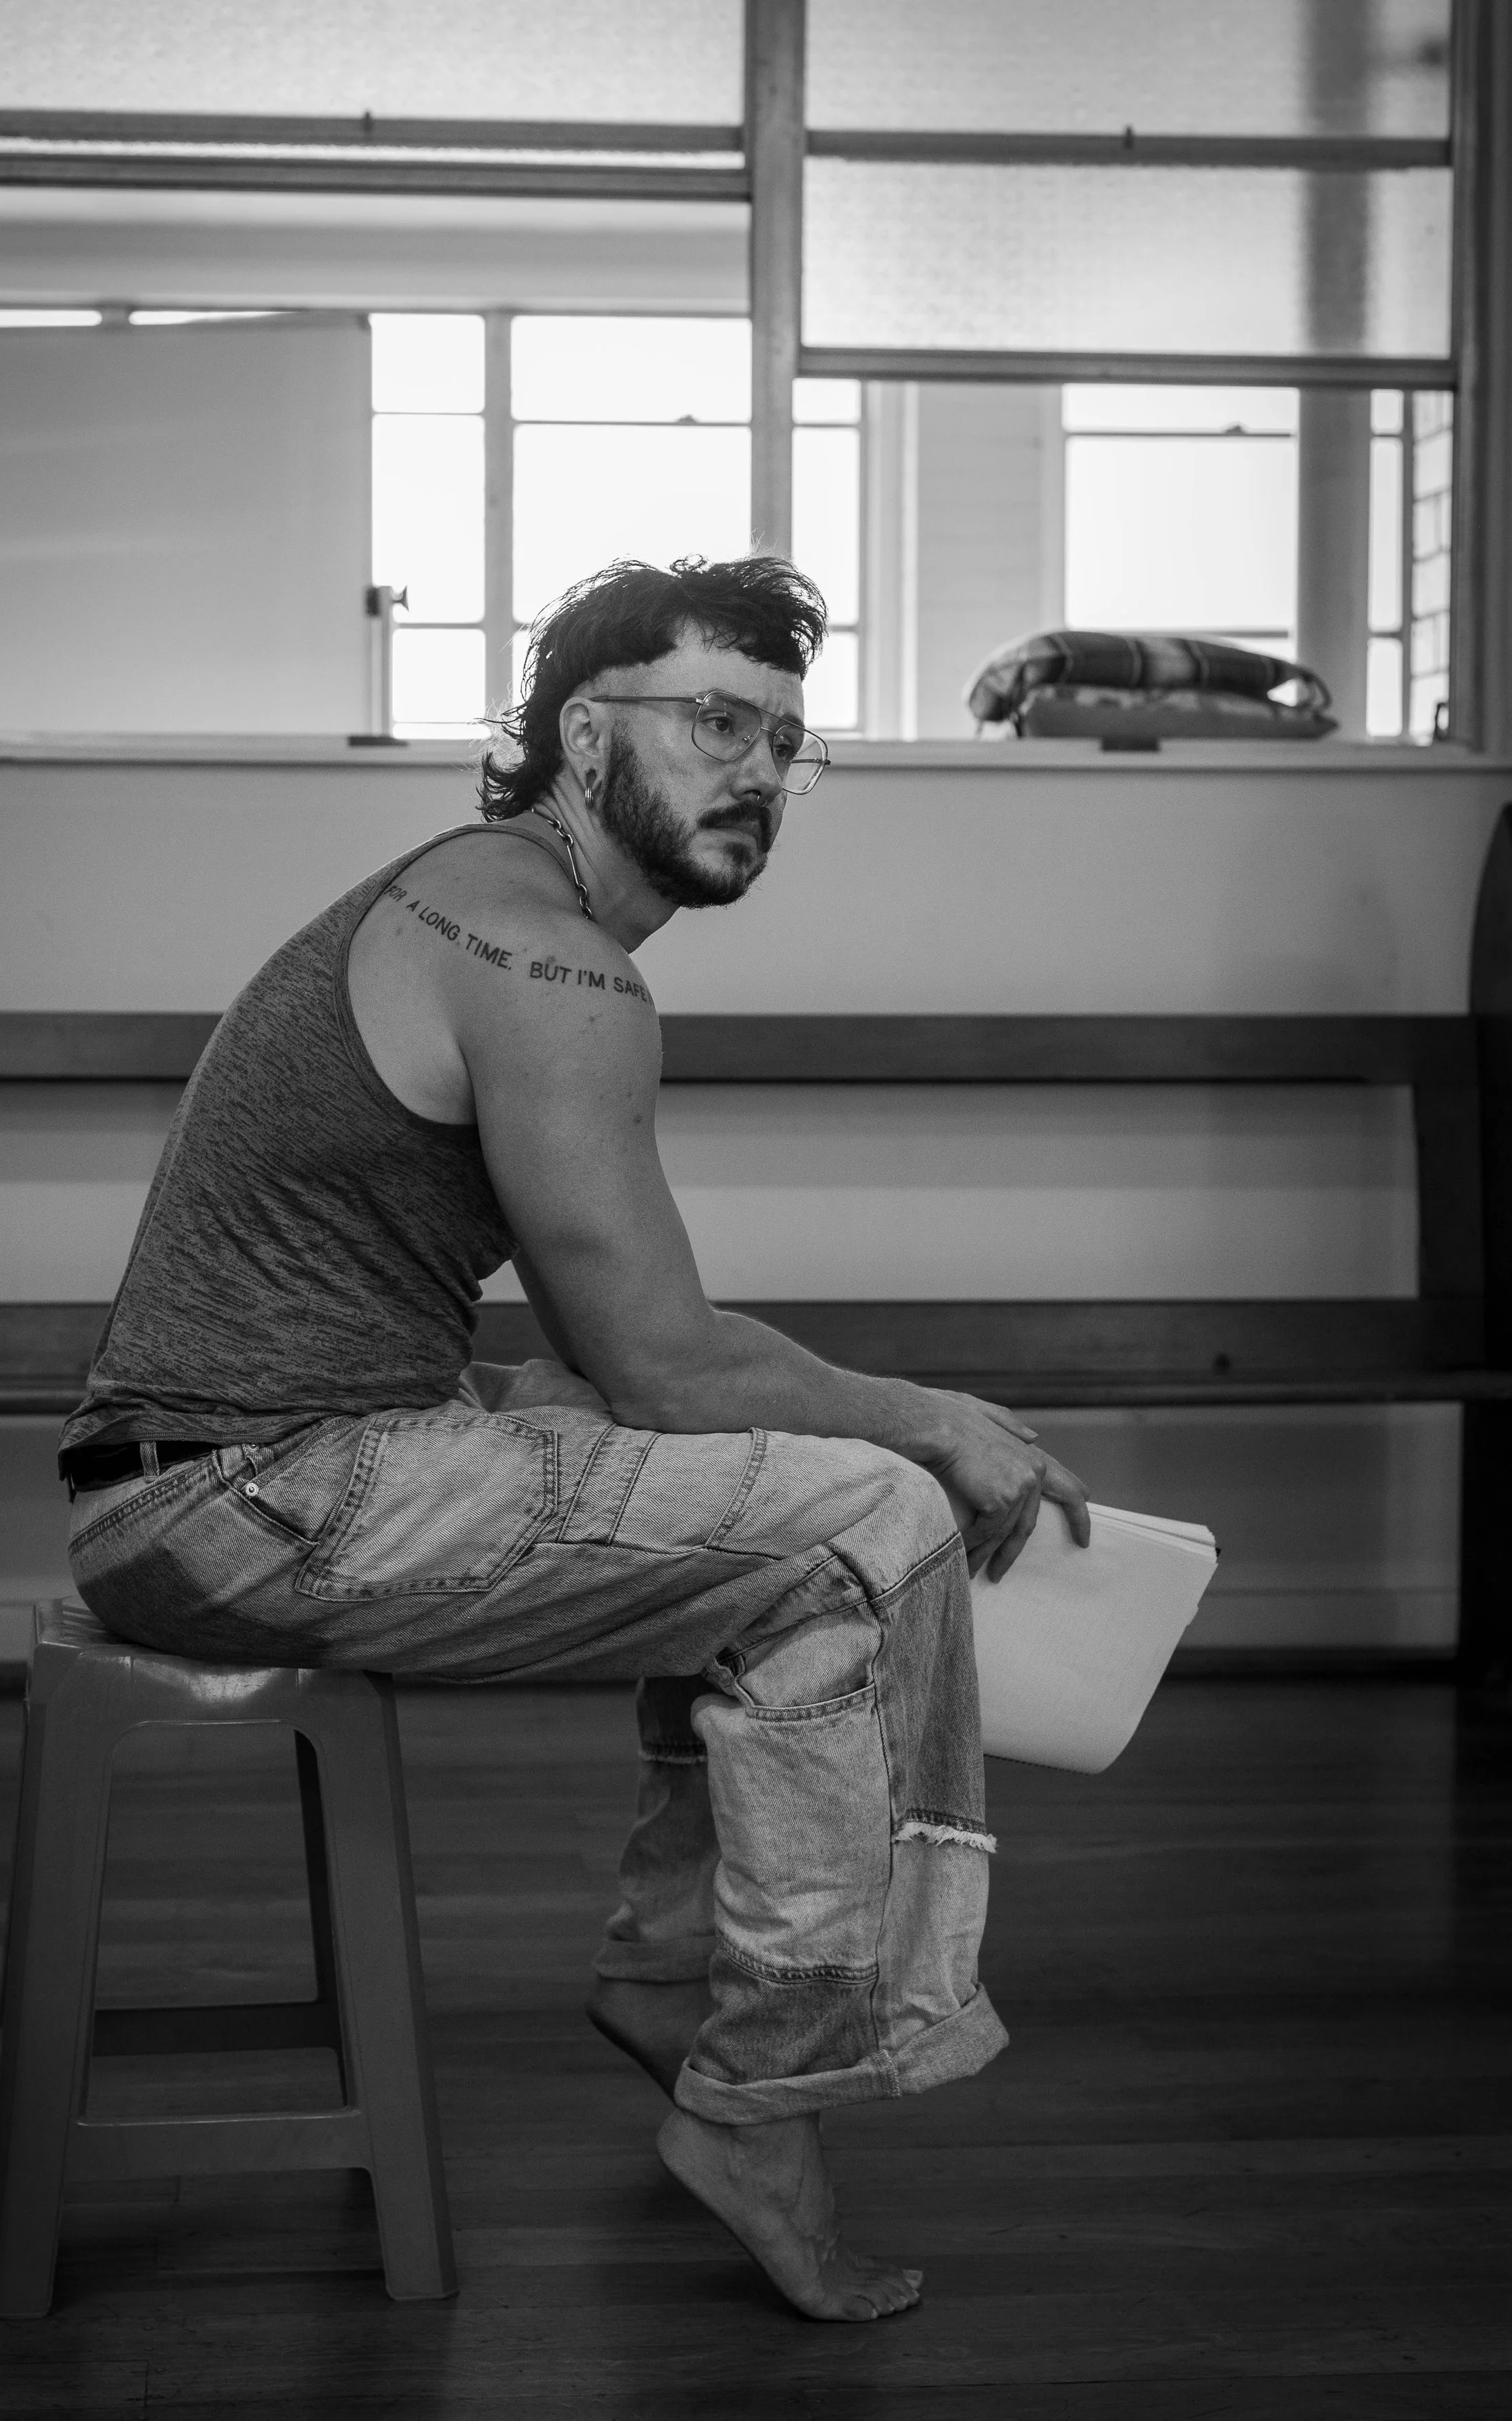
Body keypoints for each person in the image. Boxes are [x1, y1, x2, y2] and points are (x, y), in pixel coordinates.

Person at [59, 553, 1089, 2323]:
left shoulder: (485, 910)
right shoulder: (542, 956)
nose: (757, 770)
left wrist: (903, 1411)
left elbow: (639, 1352)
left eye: (785, 739)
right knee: (865, 1518)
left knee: (755, 1491)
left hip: (230, 1471)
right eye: (711, 722)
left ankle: (678, 1973)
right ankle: (759, 2094)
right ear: (578, 731)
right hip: (246, 1495)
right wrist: (923, 1422)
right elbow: (674, 1367)